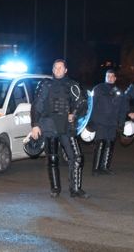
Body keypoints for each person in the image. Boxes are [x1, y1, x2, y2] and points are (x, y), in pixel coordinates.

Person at [30, 59, 89, 198]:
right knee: (52, 159)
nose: (58, 70)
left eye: (61, 68)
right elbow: (37, 106)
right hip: (49, 125)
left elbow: (82, 104)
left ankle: (75, 188)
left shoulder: (73, 85)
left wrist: (74, 115)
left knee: (77, 157)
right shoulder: (45, 85)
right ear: (52, 70)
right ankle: (55, 188)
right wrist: (35, 125)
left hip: (67, 126)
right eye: (55, 68)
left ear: (66, 70)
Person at [90, 69, 129, 176]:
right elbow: (91, 105)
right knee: (101, 142)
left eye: (112, 76)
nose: (110, 78)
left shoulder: (119, 92)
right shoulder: (98, 88)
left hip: (112, 122)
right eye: (108, 76)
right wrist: (91, 120)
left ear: (115, 78)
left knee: (110, 143)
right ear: (105, 77)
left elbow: (123, 109)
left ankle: (105, 167)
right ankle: (96, 168)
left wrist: (122, 123)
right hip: (100, 121)